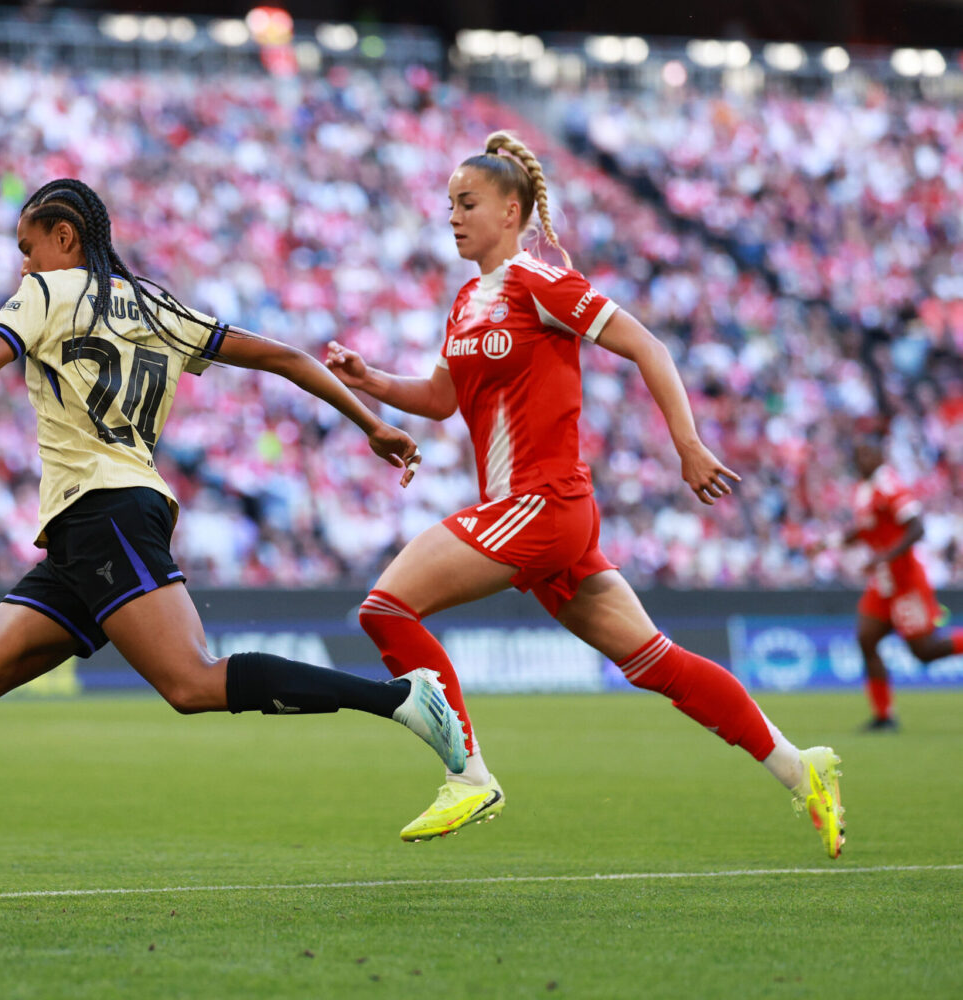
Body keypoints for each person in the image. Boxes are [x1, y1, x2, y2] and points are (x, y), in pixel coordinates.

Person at [0, 178, 467, 902]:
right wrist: (370, 423)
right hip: (86, 528)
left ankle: (399, 698)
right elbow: (285, 357)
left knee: (191, 683)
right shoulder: (156, 304)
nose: (23, 265)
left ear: (65, 236)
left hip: (106, 512)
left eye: (28, 247)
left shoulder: (46, 293)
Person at [323, 132, 845, 857]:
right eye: (449, 205)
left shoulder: (541, 282)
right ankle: (799, 765)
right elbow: (442, 399)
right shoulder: (468, 300)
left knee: (385, 608)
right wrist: (371, 380)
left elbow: (647, 346)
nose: (453, 217)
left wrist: (688, 444)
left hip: (538, 505)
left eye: (467, 203)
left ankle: (468, 774)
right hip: (538, 515)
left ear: (511, 211)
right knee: (654, 661)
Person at [813, 438, 963, 730]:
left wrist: (885, 555)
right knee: (866, 639)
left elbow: (917, 528)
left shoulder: (890, 486)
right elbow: (862, 530)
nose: (863, 460)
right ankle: (884, 716)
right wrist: (827, 543)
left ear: (881, 456)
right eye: (859, 455)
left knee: (924, 651)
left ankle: (884, 715)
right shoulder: (863, 490)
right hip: (883, 583)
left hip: (906, 581)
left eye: (868, 454)